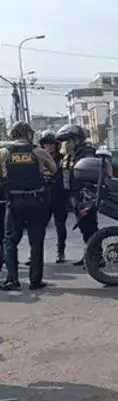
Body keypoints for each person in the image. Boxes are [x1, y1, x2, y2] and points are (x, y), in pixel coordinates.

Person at [0, 121, 57, 291]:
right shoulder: (38, 152)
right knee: (36, 242)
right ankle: (35, 281)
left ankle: (12, 280)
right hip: (36, 201)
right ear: (28, 134)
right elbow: (53, 169)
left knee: (10, 241)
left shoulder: (3, 153)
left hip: (14, 202)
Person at [55, 124, 99, 265]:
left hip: (86, 196)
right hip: (74, 197)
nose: (65, 144)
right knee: (83, 229)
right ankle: (89, 255)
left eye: (68, 140)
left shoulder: (87, 153)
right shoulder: (69, 155)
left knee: (90, 228)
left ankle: (97, 258)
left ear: (77, 139)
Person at [40, 131, 67, 263]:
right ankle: (35, 255)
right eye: (46, 144)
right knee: (39, 227)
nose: (49, 147)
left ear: (56, 145)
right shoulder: (38, 158)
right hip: (43, 197)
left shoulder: (63, 158)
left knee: (60, 225)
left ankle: (60, 252)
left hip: (59, 196)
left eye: (51, 144)